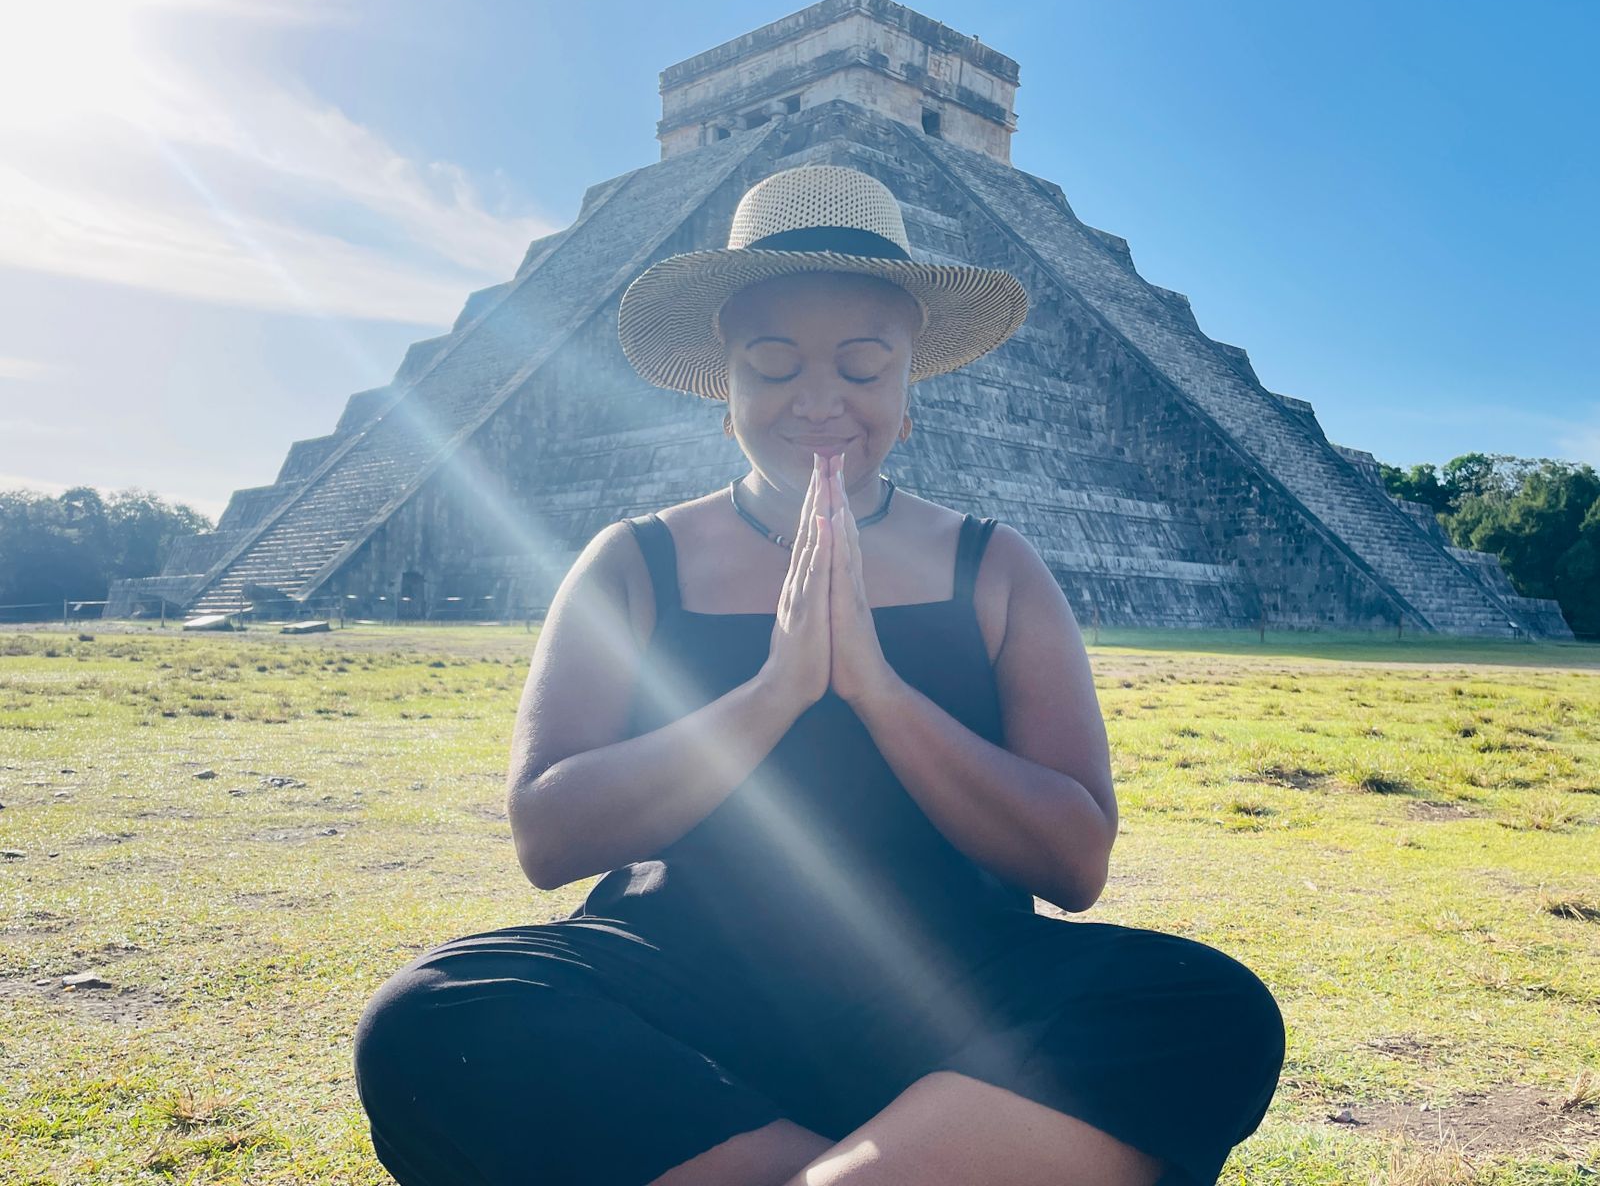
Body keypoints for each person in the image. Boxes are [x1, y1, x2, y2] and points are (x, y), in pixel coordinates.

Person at [352, 165, 1286, 1186]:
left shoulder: (994, 566)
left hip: (952, 995)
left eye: (860, 366)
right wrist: (774, 692)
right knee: (430, 1017)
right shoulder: (633, 562)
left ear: (905, 387)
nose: (818, 400)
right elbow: (549, 835)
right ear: (728, 387)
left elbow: (1073, 865)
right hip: (686, 993)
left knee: (1208, 1006)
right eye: (773, 365)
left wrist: (880, 692)